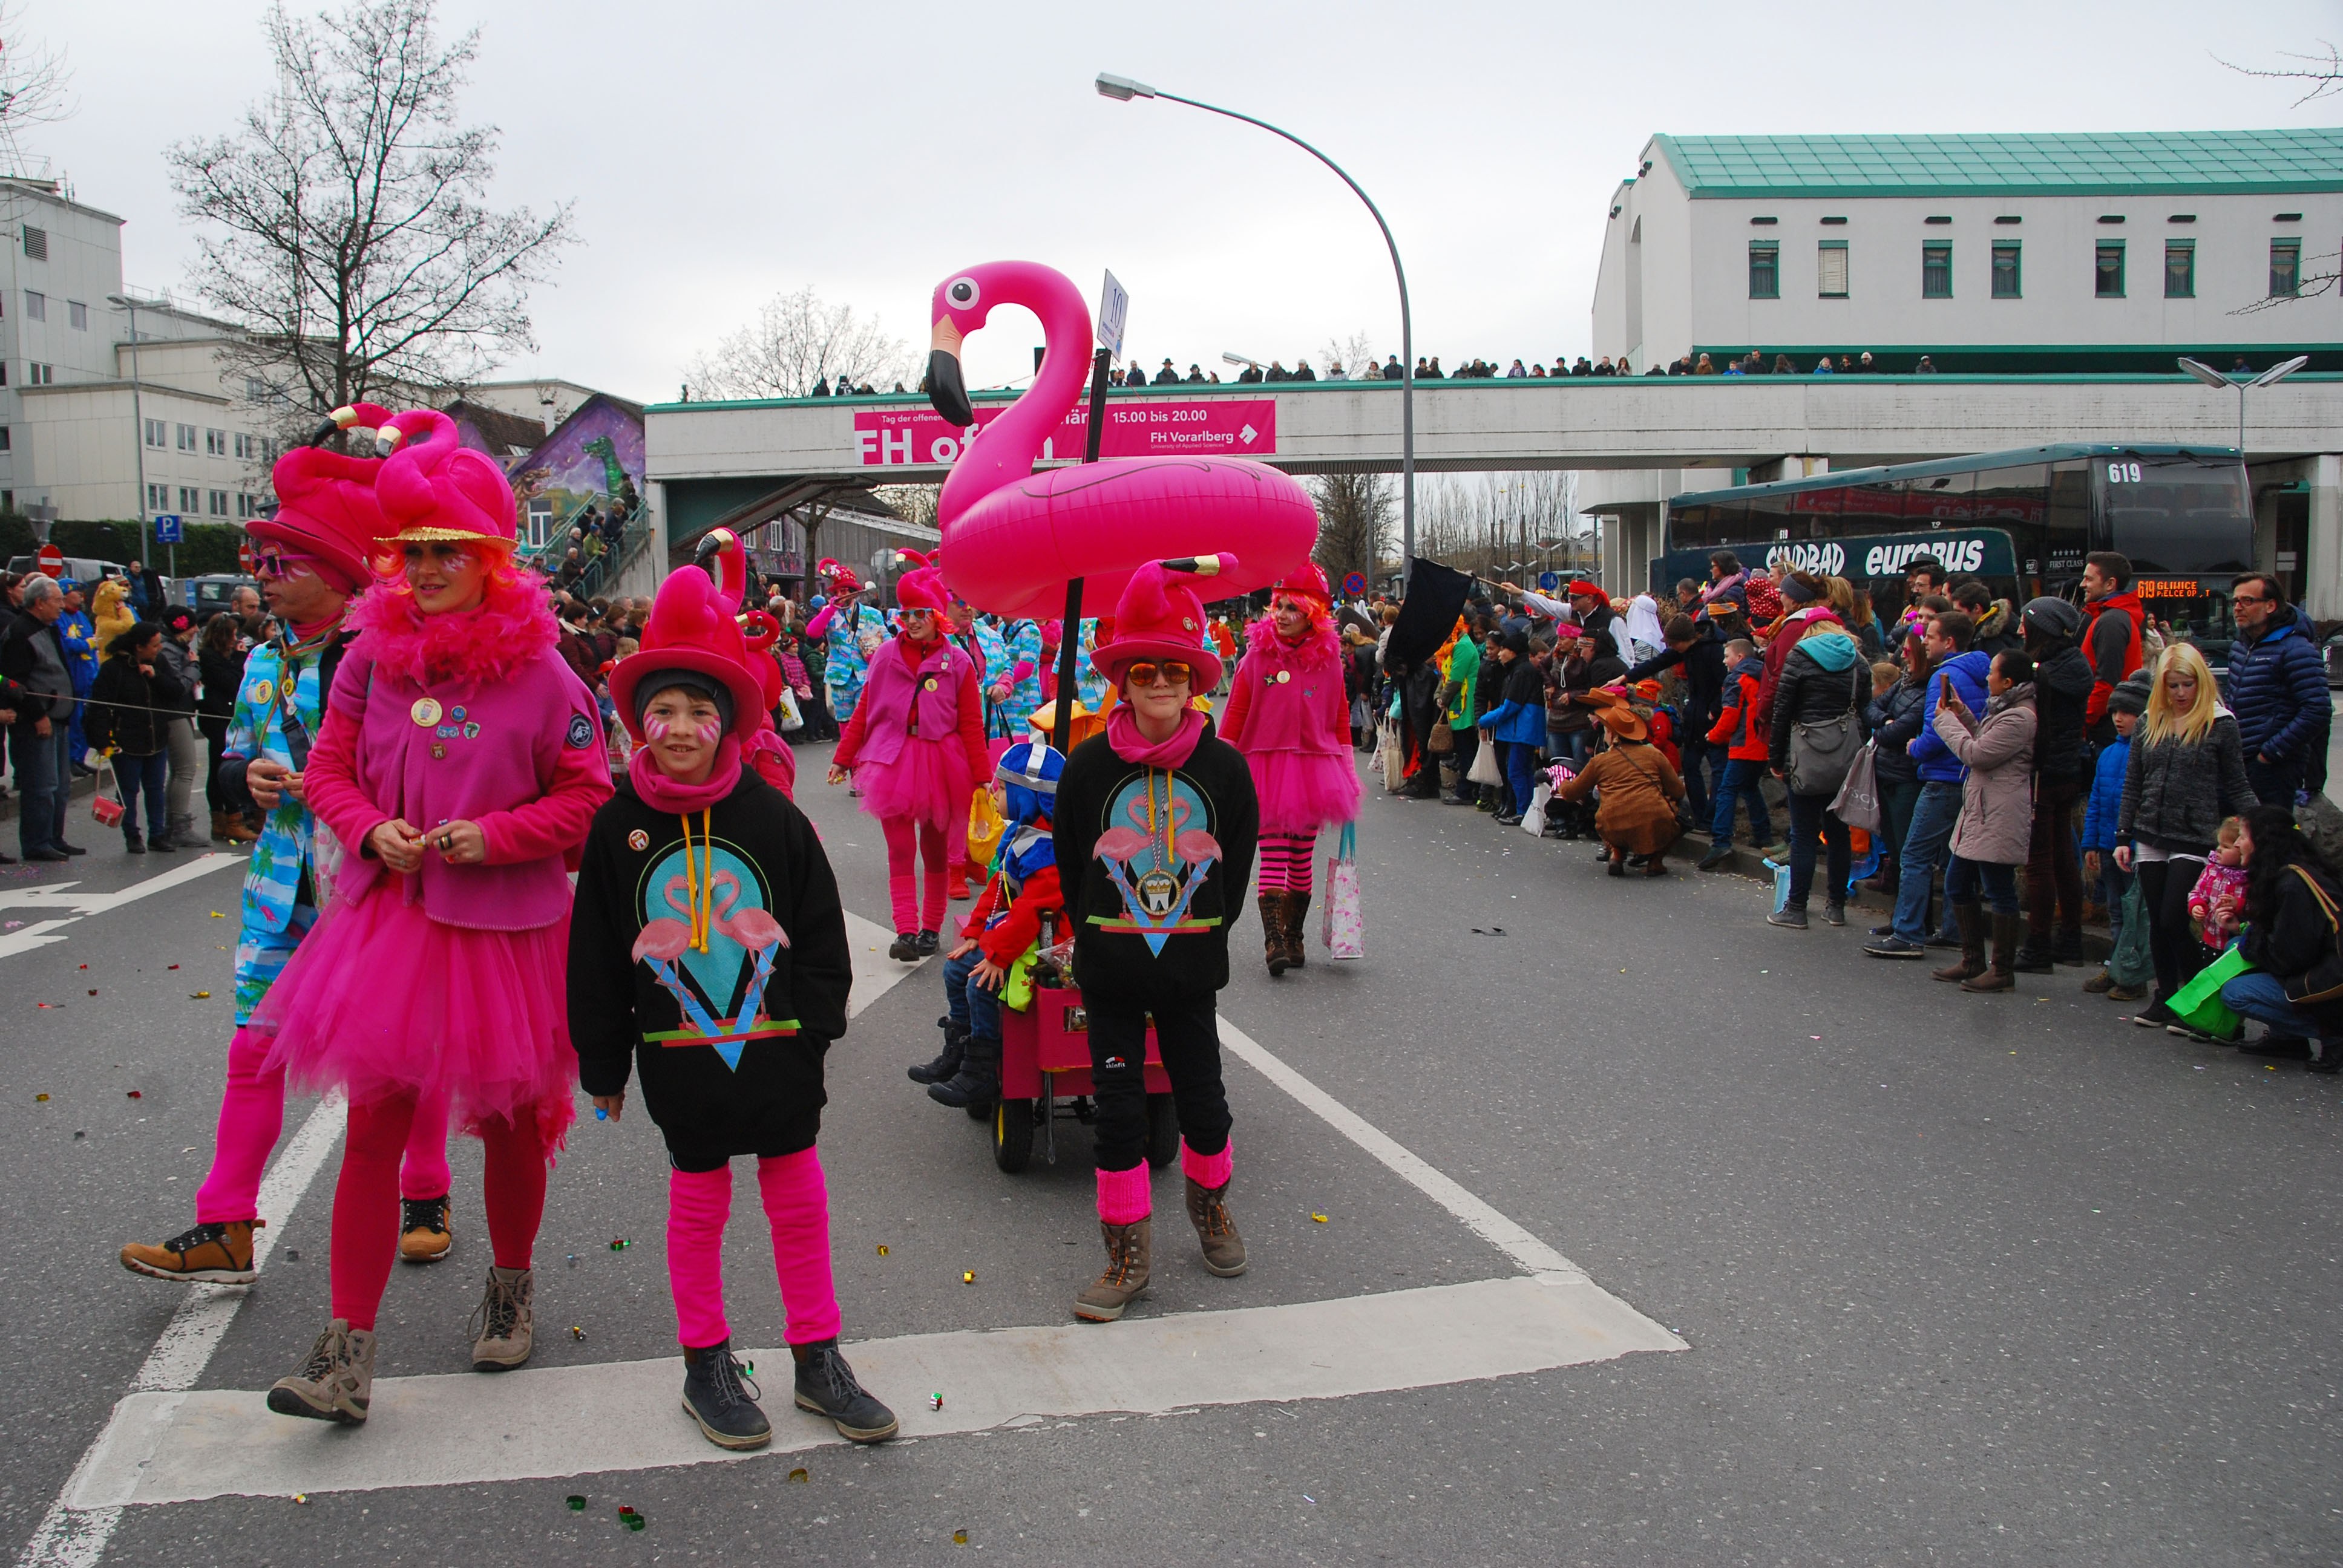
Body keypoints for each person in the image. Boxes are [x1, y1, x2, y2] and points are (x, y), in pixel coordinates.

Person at [253, 408, 611, 1425]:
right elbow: (328, 772)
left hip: (507, 935)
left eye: (448, 550)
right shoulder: (368, 659)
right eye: (412, 551)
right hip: (394, 927)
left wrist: (493, 837)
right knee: (373, 1129)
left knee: (510, 1125)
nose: (427, 568)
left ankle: (510, 1288)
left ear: (493, 557)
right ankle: (345, 1352)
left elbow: (589, 793)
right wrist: (371, 830)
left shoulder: (545, 671)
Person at [119, 408, 468, 1289]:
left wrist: (348, 799)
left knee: (399, 1057)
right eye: (263, 563)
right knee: (253, 1051)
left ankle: (425, 1192)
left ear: (340, 572)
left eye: (284, 564)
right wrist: (249, 779)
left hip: (372, 887)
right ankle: (226, 1223)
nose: (265, 579)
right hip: (282, 891)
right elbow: (231, 759)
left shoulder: (391, 660)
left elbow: (436, 772)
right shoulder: (262, 663)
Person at [570, 563, 893, 1451]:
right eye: (663, 711)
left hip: (778, 1047)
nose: (680, 729)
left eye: (698, 712)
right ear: (639, 721)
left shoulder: (772, 817)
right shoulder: (617, 826)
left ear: (726, 722)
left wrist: (816, 1031)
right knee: (698, 1199)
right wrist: (602, 1061)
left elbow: (819, 934)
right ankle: (704, 1362)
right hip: (678, 1054)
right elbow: (595, 953)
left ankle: (818, 1358)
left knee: (797, 1198)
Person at [1052, 557, 1259, 1322]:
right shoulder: (1086, 766)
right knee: (1116, 1111)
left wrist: (1195, 939)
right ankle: (1125, 1253)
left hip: (1188, 970)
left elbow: (1233, 872)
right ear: (1123, 681)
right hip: (1110, 970)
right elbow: (1073, 863)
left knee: (1203, 1099)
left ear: (1193, 679)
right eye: (1144, 671)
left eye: (1174, 669)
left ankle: (1211, 1210)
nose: (1160, 683)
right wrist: (1104, 939)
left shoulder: (1225, 769)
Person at [825, 552, 987, 960]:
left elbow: (971, 723)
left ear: (937, 616)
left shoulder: (959, 663)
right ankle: (906, 932)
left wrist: (982, 776)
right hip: (891, 761)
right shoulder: (885, 655)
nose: (912, 621)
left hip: (940, 762)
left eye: (920, 613)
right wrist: (843, 758)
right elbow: (865, 708)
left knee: (934, 851)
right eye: (907, 614)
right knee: (899, 850)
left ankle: (930, 929)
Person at [1218, 564, 1361, 975]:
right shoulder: (1256, 657)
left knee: (1301, 858)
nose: (1281, 615)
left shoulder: (1330, 662)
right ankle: (1274, 941)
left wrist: (1349, 771)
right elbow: (1236, 714)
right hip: (1266, 768)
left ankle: (1294, 935)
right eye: (1278, 606)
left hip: (1315, 769)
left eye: (1292, 608)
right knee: (1273, 855)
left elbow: (1339, 718)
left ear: (1312, 614)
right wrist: (1221, 769)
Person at [2115, 642, 2257, 1034]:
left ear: (2201, 682)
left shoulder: (2220, 723)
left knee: (2173, 917)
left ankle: (2198, 998)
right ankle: (2166, 997)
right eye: (2173, 685)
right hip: (2150, 830)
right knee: (2158, 923)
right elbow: (2134, 782)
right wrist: (2123, 834)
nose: (2180, 693)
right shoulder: (2150, 721)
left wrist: (2261, 826)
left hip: (2195, 834)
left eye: (2188, 684)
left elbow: (2237, 783)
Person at [919, 740, 1066, 1108]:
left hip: (1049, 944)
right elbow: (998, 886)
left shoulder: (1048, 849)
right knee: (956, 968)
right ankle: (960, 1047)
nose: (993, 794)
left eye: (1001, 789)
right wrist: (974, 932)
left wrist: (997, 956)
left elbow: (1034, 909)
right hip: (1021, 935)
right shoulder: (1023, 834)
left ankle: (981, 1068)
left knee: (980, 983)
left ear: (1027, 796)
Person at [1864, 612, 1990, 958]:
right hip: (1967, 776)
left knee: (1915, 855)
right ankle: (1953, 930)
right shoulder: (1981, 671)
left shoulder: (1944, 676)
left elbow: (1937, 730)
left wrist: (1915, 748)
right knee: (1953, 858)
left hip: (1943, 776)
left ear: (1949, 641)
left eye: (1930, 636)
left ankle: (1908, 933)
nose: (1924, 643)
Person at [1926, 650, 2039, 990]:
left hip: (1999, 813)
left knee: (1998, 888)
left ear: (2008, 681)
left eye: (1992, 672)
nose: (1987, 677)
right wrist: (1963, 715)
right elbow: (1985, 741)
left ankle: (2001, 970)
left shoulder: (2021, 717)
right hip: (1982, 810)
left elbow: (1977, 754)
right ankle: (1972, 959)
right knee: (1958, 883)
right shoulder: (2006, 710)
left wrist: (1945, 721)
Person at [2218, 804, 2343, 1069]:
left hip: (2329, 982)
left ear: (2263, 841)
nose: (2238, 844)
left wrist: (2250, 940)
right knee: (2235, 945)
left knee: (2236, 993)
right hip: (2321, 967)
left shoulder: (2291, 884)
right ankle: (2287, 1039)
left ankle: (2333, 1034)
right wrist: (2242, 932)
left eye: (2243, 837)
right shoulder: (2293, 870)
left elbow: (2289, 958)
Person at [1763, 615, 1864, 929]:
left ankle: (1796, 909)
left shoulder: (1799, 657)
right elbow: (1865, 709)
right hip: (1845, 757)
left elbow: (1782, 711)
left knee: (1804, 834)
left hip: (1804, 756)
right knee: (1839, 833)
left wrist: (1776, 758)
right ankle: (1836, 907)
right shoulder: (1857, 661)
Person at [2013, 597, 2094, 970]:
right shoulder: (2075, 664)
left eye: (2025, 624)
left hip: (2043, 773)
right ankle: (2071, 940)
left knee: (2039, 861)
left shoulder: (2042, 673)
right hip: (2069, 769)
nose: (2020, 630)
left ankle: (2039, 944)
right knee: (2062, 856)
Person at [2224, 572, 2331, 807]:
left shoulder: (2297, 650)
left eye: (2247, 601)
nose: (2238, 608)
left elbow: (2318, 710)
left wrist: (2270, 754)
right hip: (2239, 761)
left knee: (2268, 829)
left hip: (2274, 769)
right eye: (2235, 601)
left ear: (2271, 606)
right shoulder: (2240, 647)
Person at [2081, 670, 2152, 1000]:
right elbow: (2096, 799)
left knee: (2136, 914)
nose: (2118, 719)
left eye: (2127, 712)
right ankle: (2116, 967)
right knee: (2117, 911)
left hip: (2134, 848)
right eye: (2115, 712)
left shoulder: (2148, 752)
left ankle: (2133, 975)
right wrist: (2091, 843)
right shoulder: (2109, 753)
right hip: (2108, 845)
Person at [85, 620, 182, 852]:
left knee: (155, 788)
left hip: (156, 737)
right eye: (154, 645)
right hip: (126, 740)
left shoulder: (159, 662)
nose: (159, 649)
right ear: (139, 647)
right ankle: (132, 835)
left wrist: (156, 676)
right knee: (128, 790)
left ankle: (157, 834)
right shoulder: (113, 669)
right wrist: (102, 740)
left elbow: (176, 691)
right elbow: (98, 707)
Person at [1557, 702, 1686, 876]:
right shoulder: (1654, 755)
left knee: (1600, 811)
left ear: (1611, 734)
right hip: (1654, 819)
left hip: (1612, 823)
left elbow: (1571, 794)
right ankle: (1656, 861)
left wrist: (1563, 782)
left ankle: (1616, 854)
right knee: (1682, 813)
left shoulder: (1600, 761)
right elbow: (1678, 791)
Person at [2, 575, 79, 861]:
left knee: (60, 786)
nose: (62, 605)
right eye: (57, 600)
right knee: (41, 785)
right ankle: (37, 842)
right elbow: (16, 683)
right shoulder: (20, 633)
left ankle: (54, 837)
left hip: (59, 717)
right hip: (36, 721)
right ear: (39, 603)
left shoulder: (50, 628)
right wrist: (38, 716)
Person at [1627, 615, 1726, 829]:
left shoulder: (1714, 650)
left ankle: (1713, 819)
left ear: (1686, 639)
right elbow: (1657, 662)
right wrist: (1626, 678)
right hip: (1694, 717)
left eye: (1674, 644)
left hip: (1712, 719)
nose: (1672, 648)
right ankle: (1701, 817)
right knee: (1690, 766)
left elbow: (1725, 684)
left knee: (1718, 769)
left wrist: (1714, 711)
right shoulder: (1685, 649)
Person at [1700, 636, 1774, 866]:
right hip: (1763, 741)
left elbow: (1730, 715)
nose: (1724, 661)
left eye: (1727, 656)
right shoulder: (1763, 675)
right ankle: (1763, 834)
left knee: (1727, 790)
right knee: (1750, 788)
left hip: (1744, 743)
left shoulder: (1735, 679)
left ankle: (1721, 842)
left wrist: (1714, 736)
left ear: (1739, 657)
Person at [1863, 650, 1926, 897]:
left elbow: (1900, 731)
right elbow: (1871, 707)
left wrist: (1881, 731)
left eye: (1910, 649)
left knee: (1905, 847)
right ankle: (1899, 901)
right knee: (1892, 842)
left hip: (1905, 776)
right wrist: (1886, 720)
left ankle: (1910, 911)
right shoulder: (1904, 683)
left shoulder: (1924, 691)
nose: (1904, 654)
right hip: (1885, 771)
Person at [197, 608, 258, 842]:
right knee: (220, 766)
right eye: (232, 634)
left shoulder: (227, 656)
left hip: (227, 715)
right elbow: (233, 682)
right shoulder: (209, 657)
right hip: (216, 717)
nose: (235, 639)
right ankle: (227, 818)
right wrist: (241, 659)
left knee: (223, 764)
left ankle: (230, 818)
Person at [1477, 631, 1547, 827]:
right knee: (1523, 770)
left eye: (1504, 650)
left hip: (1522, 728)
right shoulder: (1521, 669)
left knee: (1516, 770)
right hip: (1524, 727)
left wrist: (1485, 720)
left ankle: (1522, 810)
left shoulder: (1521, 672)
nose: (1500, 654)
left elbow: (1511, 706)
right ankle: (1523, 808)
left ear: (1513, 651)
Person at [156, 605, 206, 849]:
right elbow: (178, 685)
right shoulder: (168, 650)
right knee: (185, 769)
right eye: (191, 625)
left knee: (179, 771)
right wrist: (194, 667)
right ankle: (179, 826)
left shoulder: (174, 648)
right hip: (174, 714)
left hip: (179, 713)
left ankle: (173, 823)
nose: (196, 630)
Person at [2080, 552, 2144, 743]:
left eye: (2089, 579)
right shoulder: (2112, 616)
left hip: (2105, 730)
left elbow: (2106, 684)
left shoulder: (2111, 621)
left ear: (2110, 584)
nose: (2083, 584)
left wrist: (2082, 724)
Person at [2186, 817, 2250, 951]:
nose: (2219, 850)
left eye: (2226, 847)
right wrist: (2197, 905)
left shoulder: (2250, 877)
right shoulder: (2212, 869)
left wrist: (2238, 905)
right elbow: (2197, 892)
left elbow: (2257, 907)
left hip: (2240, 940)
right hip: (2212, 939)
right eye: (2219, 845)